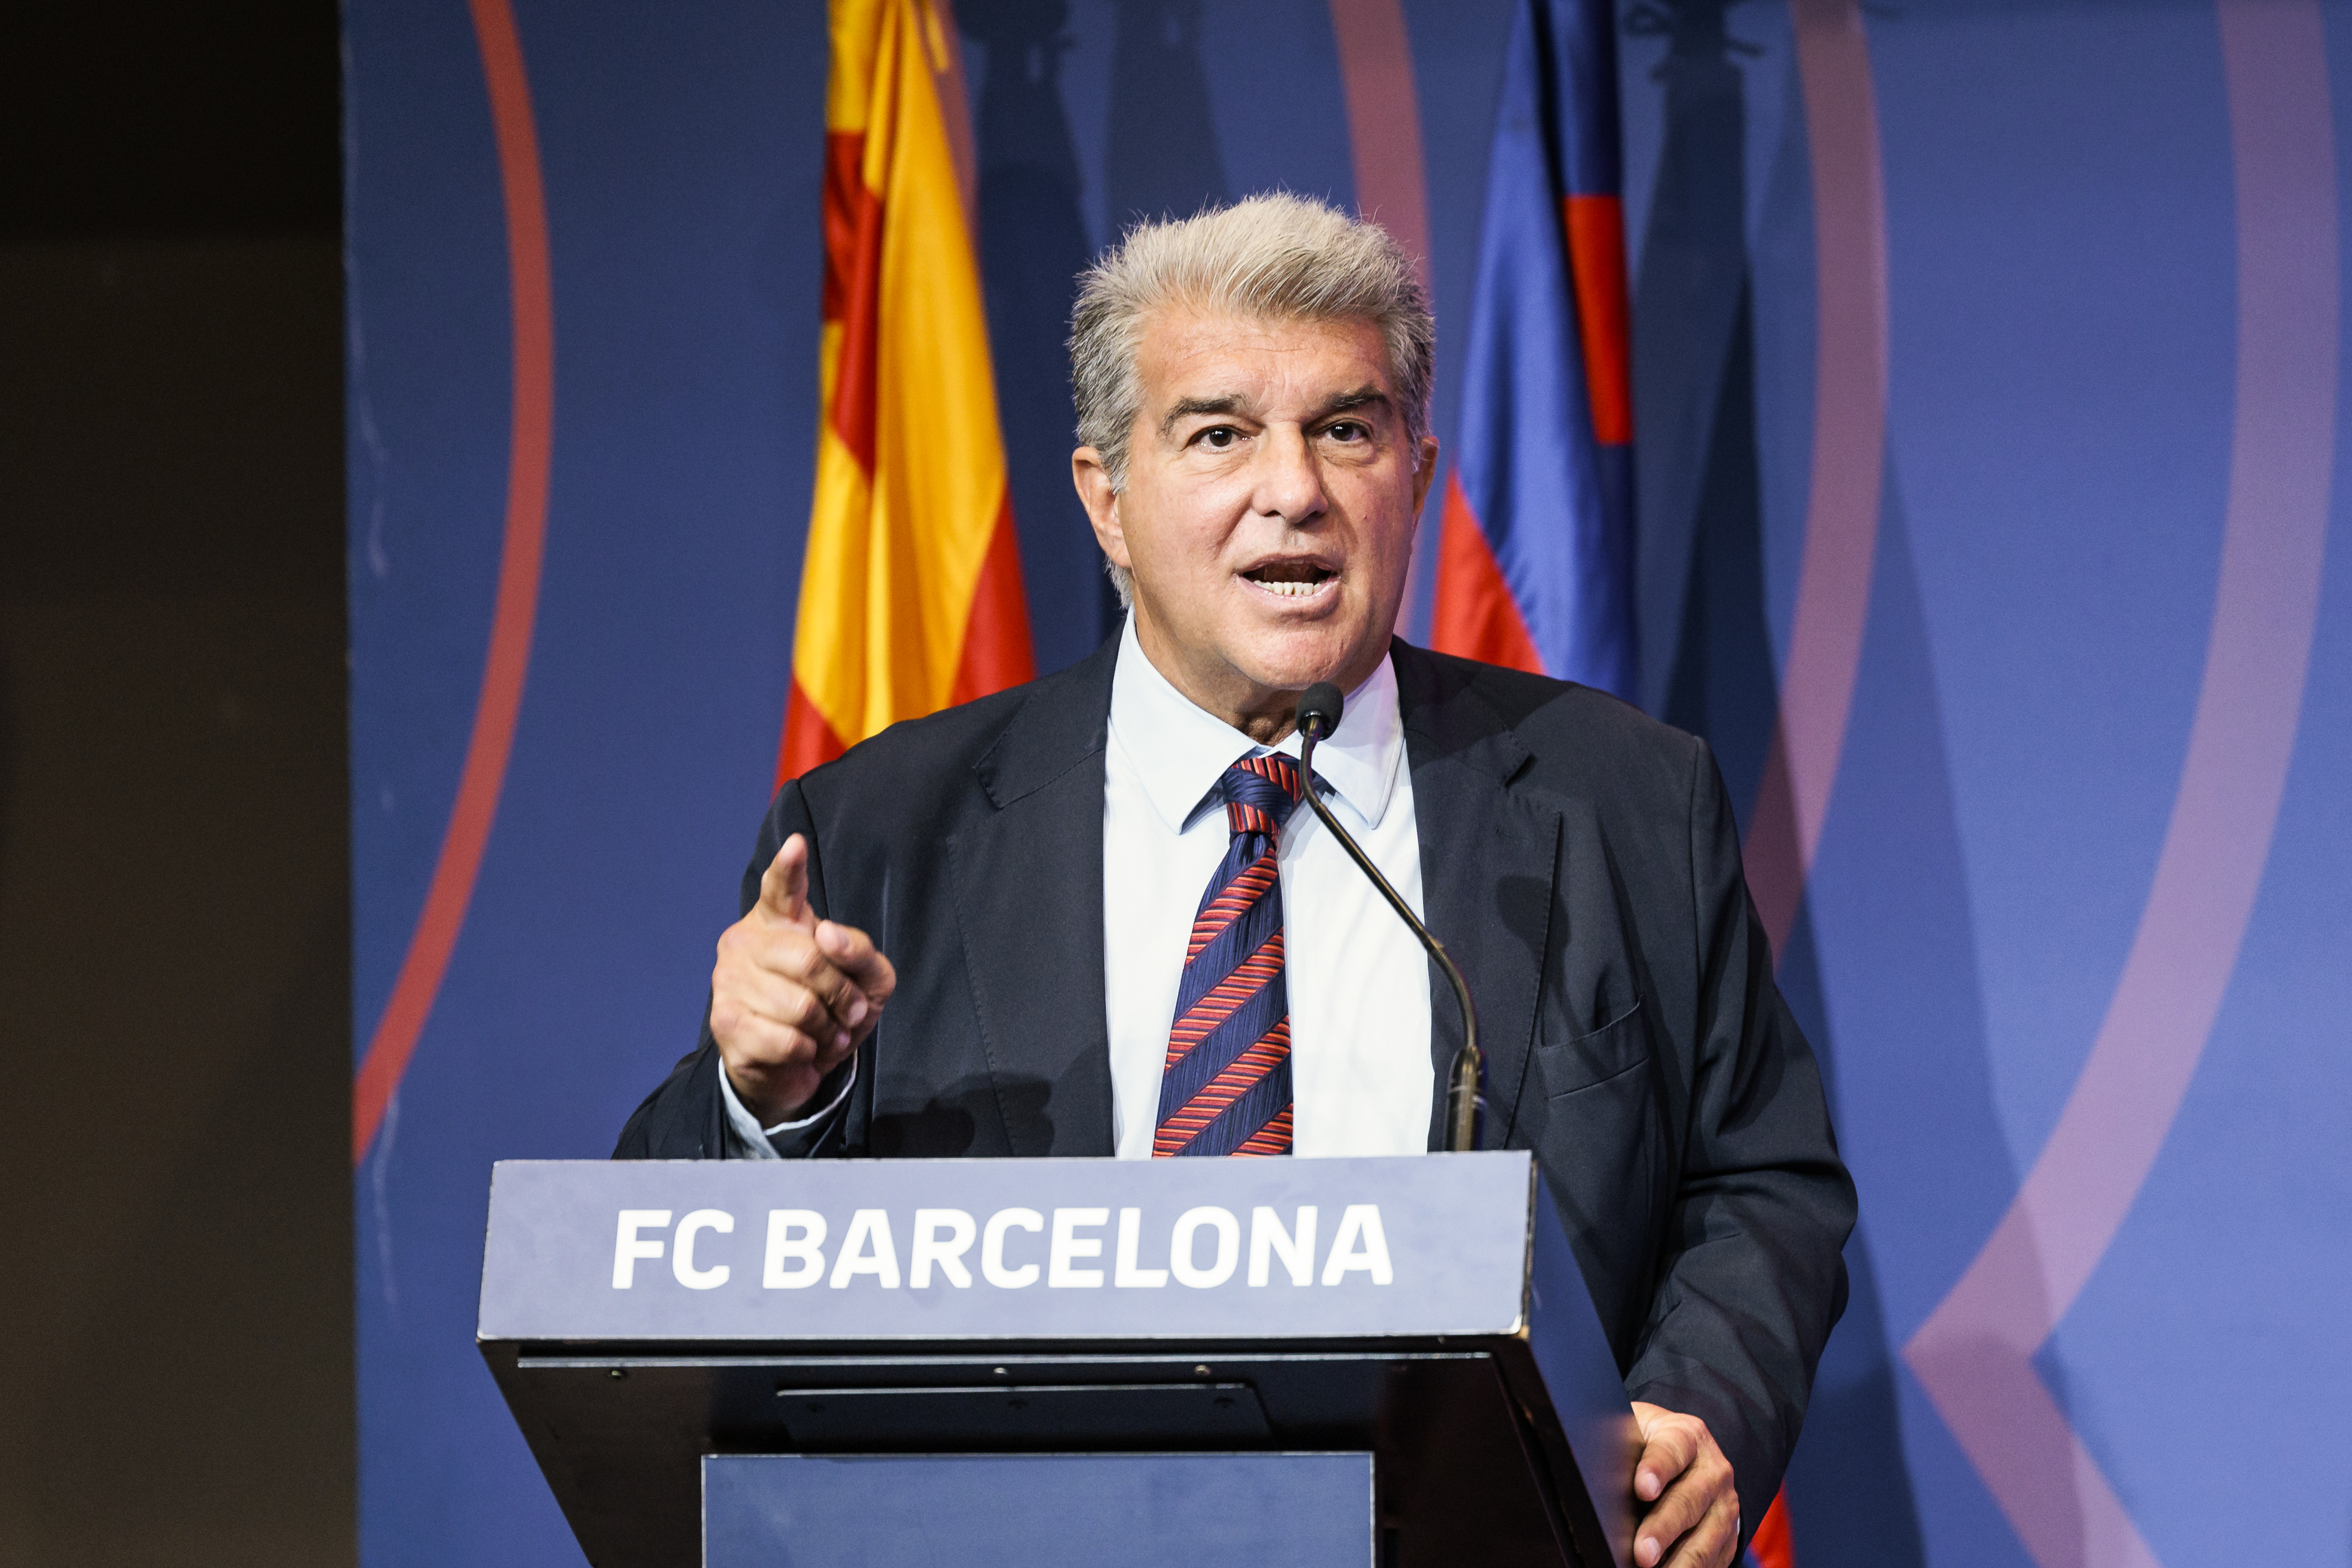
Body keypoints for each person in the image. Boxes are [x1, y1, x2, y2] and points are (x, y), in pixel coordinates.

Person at [617, 193, 1854, 1568]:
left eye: (1345, 428)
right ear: (1107, 502)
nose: (1295, 490)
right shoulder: (882, 829)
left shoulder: (1621, 797)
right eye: (1218, 433)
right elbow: (676, 1272)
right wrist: (765, 1100)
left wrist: (1694, 1410)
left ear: (1417, 470)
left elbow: (1759, 1183)